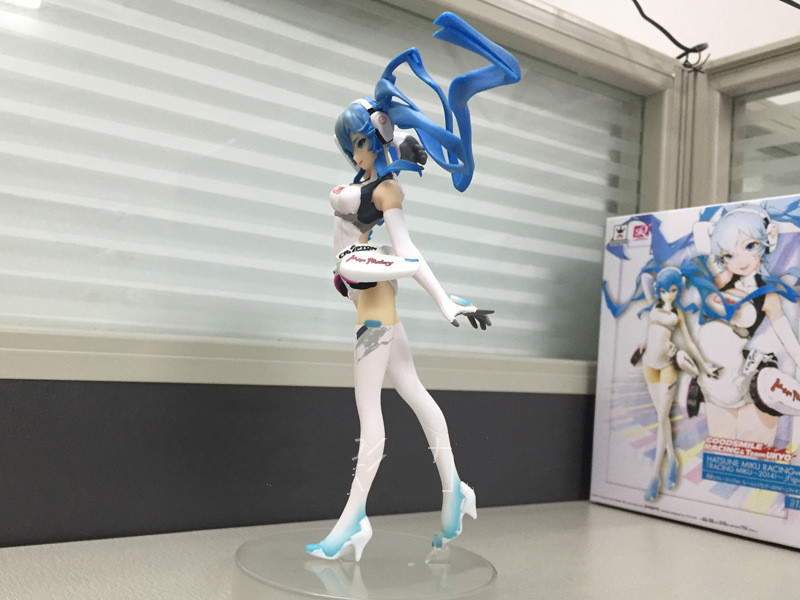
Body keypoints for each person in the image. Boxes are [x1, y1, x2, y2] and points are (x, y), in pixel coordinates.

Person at [305, 12, 520, 561]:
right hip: (375, 304)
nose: (355, 153)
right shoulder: (368, 181)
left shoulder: (383, 191)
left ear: (363, 141)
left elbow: (407, 252)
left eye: (356, 144)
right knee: (416, 394)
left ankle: (353, 520)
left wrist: (444, 300)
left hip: (373, 314)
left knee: (371, 418)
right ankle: (455, 492)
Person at [684, 204, 800, 445]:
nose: (741, 260)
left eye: (749, 246)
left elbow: (789, 340)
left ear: (768, 239)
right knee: (722, 455)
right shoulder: (717, 280)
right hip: (713, 386)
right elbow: (699, 235)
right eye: (729, 255)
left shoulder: (767, 294)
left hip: (747, 384)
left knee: (754, 456)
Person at [632, 267, 715, 501]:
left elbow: (689, 343)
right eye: (664, 290)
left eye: (673, 290)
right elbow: (645, 277)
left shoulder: (678, 313)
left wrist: (704, 365)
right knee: (662, 418)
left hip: (667, 366)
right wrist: (661, 277)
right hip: (649, 365)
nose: (668, 295)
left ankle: (654, 477)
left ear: (679, 290)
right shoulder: (653, 303)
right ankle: (673, 460)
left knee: (662, 419)